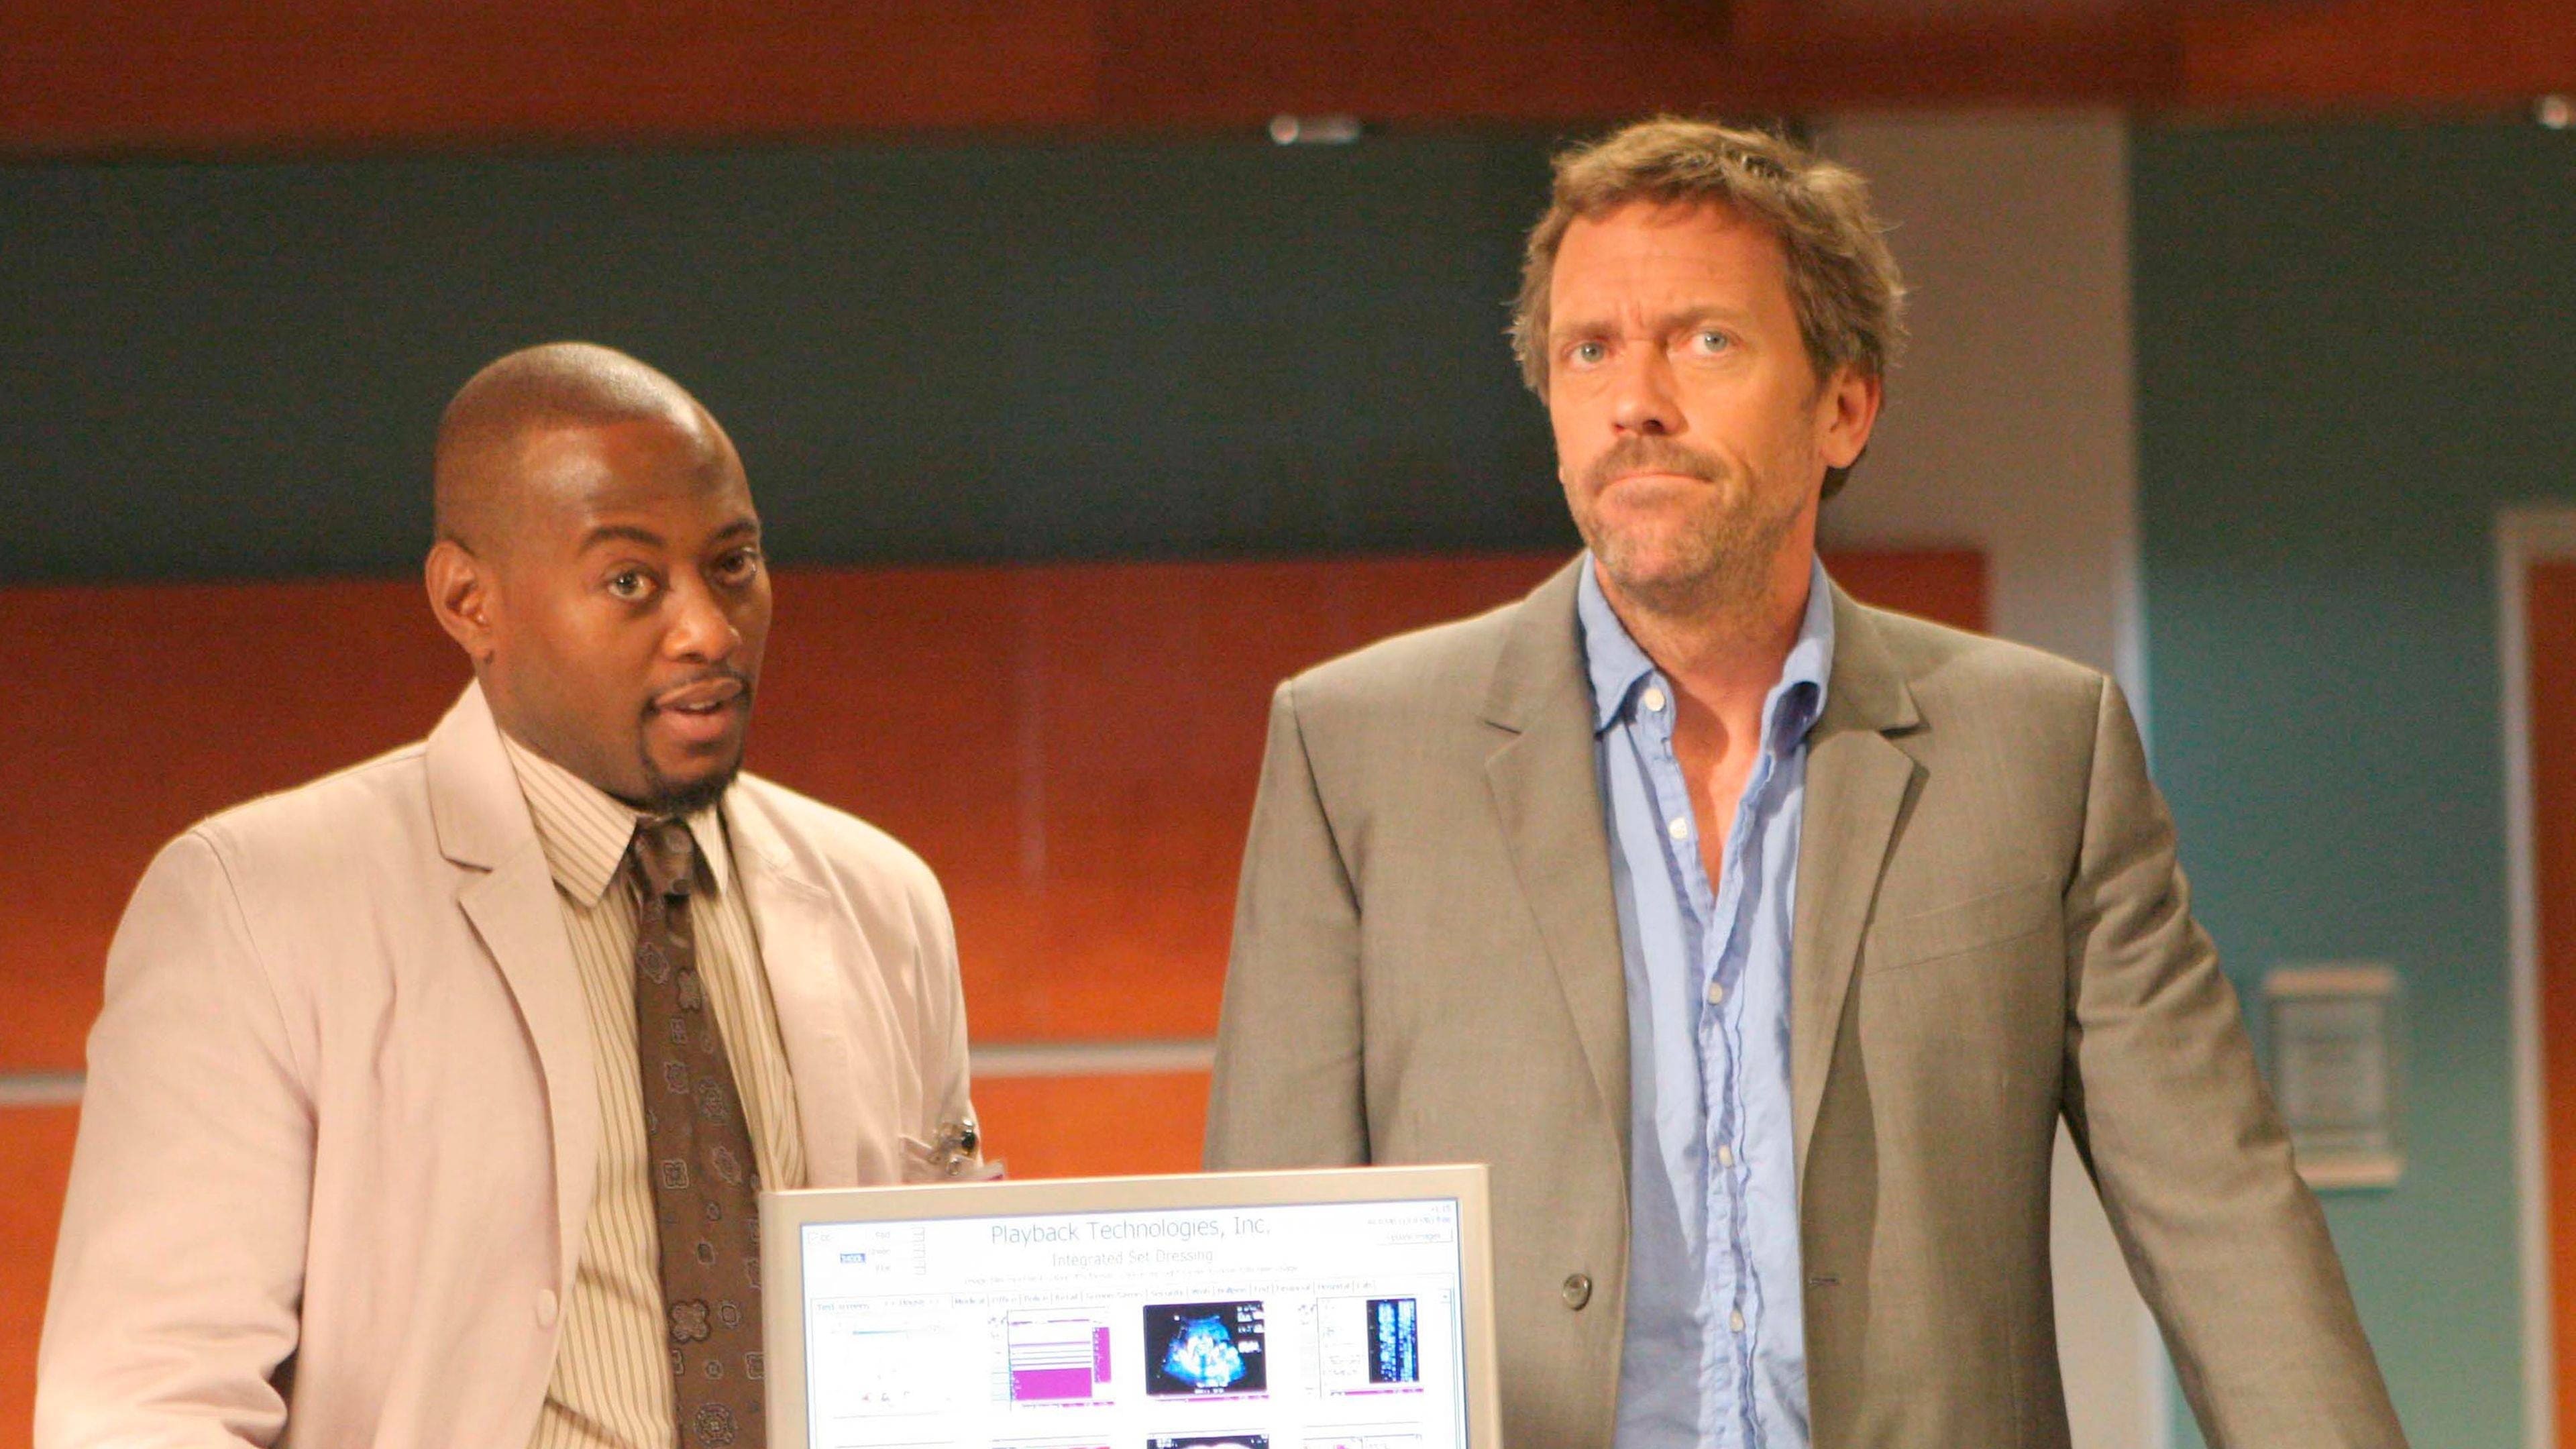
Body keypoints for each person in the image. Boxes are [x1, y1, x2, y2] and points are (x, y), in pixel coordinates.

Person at [1203, 119, 2404, 1448]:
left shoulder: (2041, 752)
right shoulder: (1356, 751)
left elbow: (2223, 1219)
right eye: (1589, 350)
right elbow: (1267, 1261)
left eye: (1705, 341)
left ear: (1845, 407)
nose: (1634, 399)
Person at [38, 342, 978, 1448]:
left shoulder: (884, 900)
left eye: (733, 563)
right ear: (468, 601)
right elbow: (144, 1408)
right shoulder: (252, 904)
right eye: (631, 581)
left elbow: (947, 1350)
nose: (711, 631)